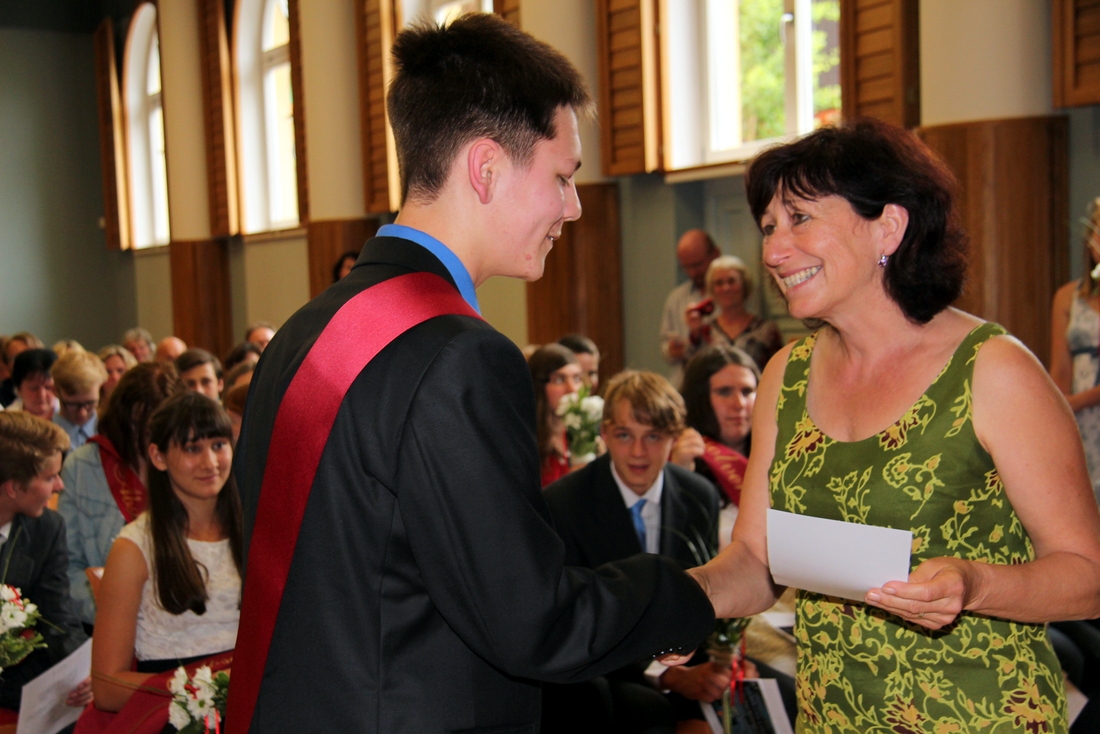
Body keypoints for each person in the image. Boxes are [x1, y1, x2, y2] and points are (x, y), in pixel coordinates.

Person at [229, 14, 713, 733]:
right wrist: (696, 590)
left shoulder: (309, 327)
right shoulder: (459, 355)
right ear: (486, 168)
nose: (574, 207)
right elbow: (531, 621)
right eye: (563, 177)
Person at [686, 119, 1100, 731]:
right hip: (832, 716)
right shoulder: (785, 375)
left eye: (800, 219)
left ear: (889, 226)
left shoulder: (991, 370)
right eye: (769, 227)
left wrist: (973, 584)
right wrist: (674, 601)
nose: (772, 251)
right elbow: (754, 559)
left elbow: (1087, 573)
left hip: (977, 716)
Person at [541, 370, 723, 734]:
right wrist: (666, 677)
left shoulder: (699, 496)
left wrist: (718, 666)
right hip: (603, 675)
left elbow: (704, 596)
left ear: (674, 437)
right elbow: (577, 626)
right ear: (604, 434)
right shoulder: (564, 503)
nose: (639, 452)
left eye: (653, 436)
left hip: (685, 660)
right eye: (625, 435)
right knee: (649, 715)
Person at [89, 392, 240, 713]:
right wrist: (204, 690)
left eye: (218, 445)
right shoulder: (134, 548)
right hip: (172, 712)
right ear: (158, 457)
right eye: (192, 449)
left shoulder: (253, 528)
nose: (210, 463)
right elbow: (107, 686)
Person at [58, 362, 183, 627]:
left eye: (157, 427)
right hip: (104, 617)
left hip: (177, 616)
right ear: (121, 417)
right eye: (138, 425)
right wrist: (113, 615)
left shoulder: (186, 462)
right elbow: (68, 564)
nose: (146, 437)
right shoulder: (83, 466)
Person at [0, 412, 91, 712]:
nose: (60, 486)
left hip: (16, 683)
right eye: (50, 477)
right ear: (14, 487)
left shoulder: (47, 528)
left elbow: (56, 615)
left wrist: (83, 671)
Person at [1051, 197, 1100, 505]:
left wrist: (1080, 401)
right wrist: (1058, 410)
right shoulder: (1068, 297)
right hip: (1079, 421)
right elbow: (1060, 369)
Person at [673, 344, 759, 513]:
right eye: (724, 392)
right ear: (698, 399)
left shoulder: (781, 456)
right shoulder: (677, 457)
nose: (739, 404)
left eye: (747, 391)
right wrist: (679, 475)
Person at [684, 256, 784, 372]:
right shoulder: (705, 331)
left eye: (732, 281)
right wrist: (694, 334)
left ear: (744, 284)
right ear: (712, 288)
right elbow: (691, 370)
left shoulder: (766, 330)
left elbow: (780, 370)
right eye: (719, 283)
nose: (726, 288)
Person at [660, 230, 720, 384]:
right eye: (686, 267)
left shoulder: (731, 294)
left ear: (716, 254)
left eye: (698, 265)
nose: (693, 272)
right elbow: (666, 347)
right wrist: (673, 350)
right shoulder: (676, 298)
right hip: (686, 383)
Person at [528, 343, 585, 486]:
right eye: (559, 380)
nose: (572, 389)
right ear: (539, 386)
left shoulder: (582, 431)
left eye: (577, 379)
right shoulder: (527, 438)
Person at [51, 350, 109, 450]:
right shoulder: (42, 436)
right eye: (72, 404)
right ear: (55, 391)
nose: (82, 413)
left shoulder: (111, 433)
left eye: (90, 403)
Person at [9, 349, 58, 420]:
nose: (42, 395)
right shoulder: (6, 421)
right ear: (19, 389)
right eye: (34, 388)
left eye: (48, 387)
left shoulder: (69, 417)